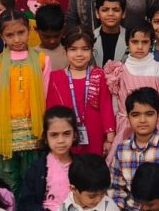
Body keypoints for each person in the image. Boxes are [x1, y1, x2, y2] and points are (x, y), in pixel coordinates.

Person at [0, 10, 52, 194]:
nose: (17, 39)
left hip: (34, 132)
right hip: (5, 133)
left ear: (29, 30)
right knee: (9, 184)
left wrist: (47, 131)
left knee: (32, 181)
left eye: (21, 32)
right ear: (2, 35)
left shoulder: (42, 60)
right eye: (10, 35)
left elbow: (45, 97)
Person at [106, 25, 159, 153]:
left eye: (144, 42)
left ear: (151, 43)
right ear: (127, 43)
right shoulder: (119, 71)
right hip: (127, 126)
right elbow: (115, 105)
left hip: (157, 124)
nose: (139, 46)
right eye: (135, 42)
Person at [46, 28, 116, 158]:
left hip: (95, 136)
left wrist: (110, 138)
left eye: (85, 49)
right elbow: (51, 111)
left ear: (92, 50)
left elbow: (106, 107)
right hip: (65, 137)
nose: (79, 54)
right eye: (73, 49)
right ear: (65, 51)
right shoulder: (55, 78)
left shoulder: (99, 75)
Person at [92, 0, 129, 66]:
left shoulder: (131, 39)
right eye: (105, 10)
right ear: (97, 13)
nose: (110, 14)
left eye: (116, 10)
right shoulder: (90, 38)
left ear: (123, 13)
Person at [36, 3, 69, 70]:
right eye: (46, 37)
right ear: (36, 30)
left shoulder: (71, 52)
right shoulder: (33, 56)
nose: (52, 41)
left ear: (64, 29)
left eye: (57, 36)